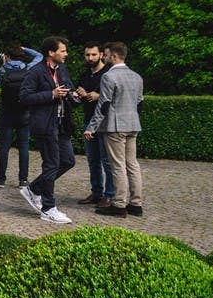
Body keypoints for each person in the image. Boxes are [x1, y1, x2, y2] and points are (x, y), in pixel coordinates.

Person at [19, 36, 78, 224]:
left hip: (61, 124)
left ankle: (34, 188)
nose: (66, 54)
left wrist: (74, 94)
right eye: (63, 51)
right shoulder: (35, 72)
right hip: (44, 124)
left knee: (68, 161)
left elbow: (68, 87)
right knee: (51, 164)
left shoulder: (62, 69)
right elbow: (25, 97)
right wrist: (51, 95)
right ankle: (48, 208)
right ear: (51, 53)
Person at [85, 42, 144, 217]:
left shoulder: (109, 77)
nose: (104, 57)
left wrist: (91, 127)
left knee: (117, 166)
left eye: (107, 54)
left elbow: (104, 105)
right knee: (132, 165)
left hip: (115, 127)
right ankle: (136, 204)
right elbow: (140, 103)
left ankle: (118, 205)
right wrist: (133, 119)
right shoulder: (137, 76)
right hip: (133, 125)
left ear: (115, 56)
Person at [0, 45, 43, 187]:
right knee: (24, 147)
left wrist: (4, 64)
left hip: (7, 113)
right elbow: (40, 56)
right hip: (24, 113)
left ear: (7, 56)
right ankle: (23, 180)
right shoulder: (29, 68)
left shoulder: (2, 70)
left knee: (4, 147)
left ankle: (1, 179)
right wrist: (25, 48)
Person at [76, 40, 116, 208]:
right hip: (88, 119)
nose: (90, 57)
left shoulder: (109, 73)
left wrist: (98, 96)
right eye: (87, 54)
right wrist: (80, 95)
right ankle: (96, 192)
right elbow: (80, 99)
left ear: (101, 55)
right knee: (93, 159)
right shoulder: (84, 75)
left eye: (94, 54)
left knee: (107, 161)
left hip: (106, 122)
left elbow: (118, 96)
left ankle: (110, 195)